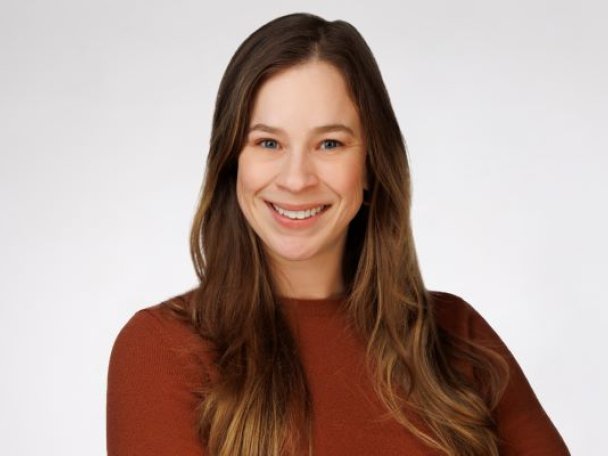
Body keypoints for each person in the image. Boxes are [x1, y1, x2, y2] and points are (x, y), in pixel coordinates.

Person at [106, 12, 570, 456]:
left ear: (370, 165)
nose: (296, 179)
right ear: (233, 163)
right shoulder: (161, 349)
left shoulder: (456, 334)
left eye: (330, 143)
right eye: (268, 142)